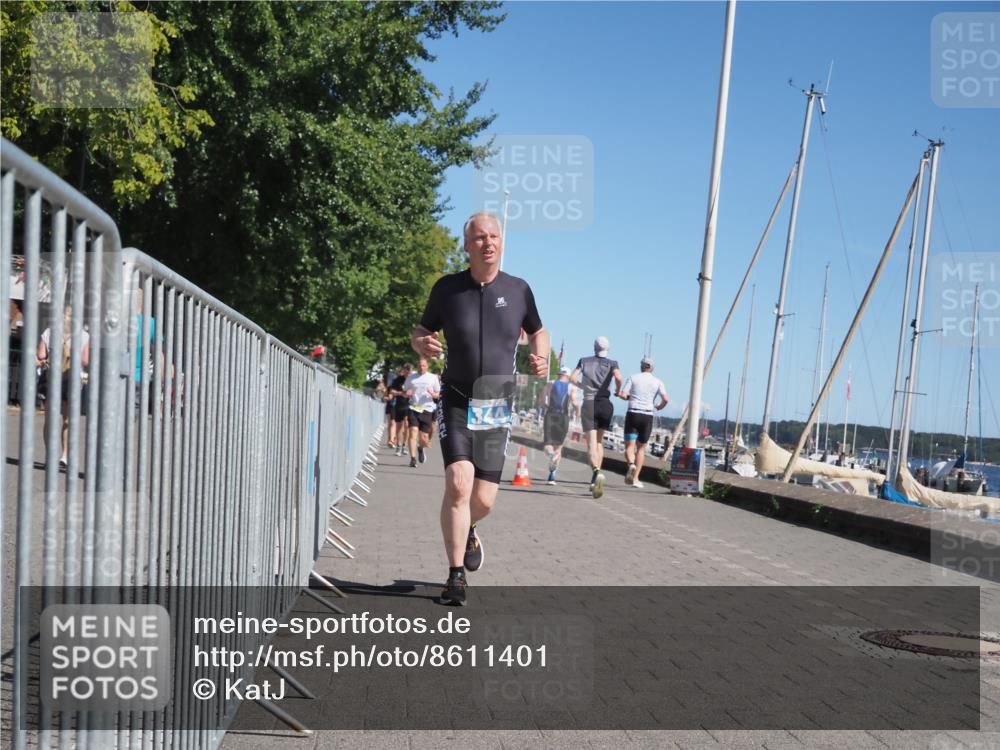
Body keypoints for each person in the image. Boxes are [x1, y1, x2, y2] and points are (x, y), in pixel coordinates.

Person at [411, 211, 548, 606]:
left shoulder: (519, 289)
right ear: (467, 245)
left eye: (494, 236)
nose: (488, 242)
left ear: (501, 242)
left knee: (483, 500)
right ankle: (455, 577)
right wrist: (421, 343)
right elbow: (421, 331)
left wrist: (541, 359)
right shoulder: (447, 290)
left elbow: (539, 331)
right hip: (455, 397)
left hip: (495, 403)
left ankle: (469, 527)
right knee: (458, 481)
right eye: (480, 237)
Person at [36, 306, 89, 466]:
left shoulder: (49, 332)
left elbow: (40, 356)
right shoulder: (84, 335)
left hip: (51, 378)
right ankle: (65, 455)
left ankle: (49, 456)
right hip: (71, 379)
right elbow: (86, 361)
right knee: (68, 420)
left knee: (49, 420)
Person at [570, 336, 622, 499]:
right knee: (599, 442)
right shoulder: (613, 363)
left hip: (590, 403)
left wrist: (581, 386)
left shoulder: (584, 361)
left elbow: (572, 377)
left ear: (594, 347)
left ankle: (596, 472)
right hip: (606, 404)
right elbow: (619, 378)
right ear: (608, 348)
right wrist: (618, 391)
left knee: (591, 443)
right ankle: (595, 480)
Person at [617, 357, 669, 489]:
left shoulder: (633, 377)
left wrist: (623, 395)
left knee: (629, 446)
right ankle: (635, 479)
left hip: (633, 413)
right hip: (647, 415)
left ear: (641, 366)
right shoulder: (658, 382)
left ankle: (631, 464)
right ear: (652, 368)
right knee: (641, 448)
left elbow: (623, 394)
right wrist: (657, 407)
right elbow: (666, 399)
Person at [403, 357, 441, 468]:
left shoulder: (433, 377)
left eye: (423, 365)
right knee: (413, 432)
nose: (421, 367)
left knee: (424, 439)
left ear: (427, 366)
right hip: (414, 408)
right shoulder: (411, 377)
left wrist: (433, 394)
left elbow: (438, 393)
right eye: (419, 365)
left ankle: (420, 448)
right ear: (417, 366)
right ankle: (413, 459)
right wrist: (407, 393)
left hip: (427, 409)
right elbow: (405, 392)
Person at [541, 366, 573, 485]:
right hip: (564, 418)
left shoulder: (550, 383)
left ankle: (551, 455)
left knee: (547, 444)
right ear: (568, 376)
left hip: (550, 415)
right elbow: (575, 402)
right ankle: (552, 476)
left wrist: (545, 406)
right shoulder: (571, 387)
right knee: (559, 447)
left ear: (559, 374)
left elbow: (542, 400)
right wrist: (578, 411)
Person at [388, 363, 412, 456]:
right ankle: (398, 446)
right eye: (406, 370)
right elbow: (392, 391)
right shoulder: (398, 379)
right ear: (404, 370)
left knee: (407, 425)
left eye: (409, 371)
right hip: (399, 405)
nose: (408, 373)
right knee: (399, 427)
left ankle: (404, 445)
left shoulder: (413, 380)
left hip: (409, 405)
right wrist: (401, 393)